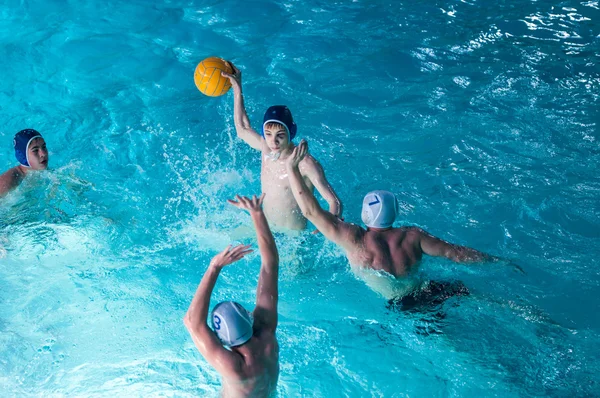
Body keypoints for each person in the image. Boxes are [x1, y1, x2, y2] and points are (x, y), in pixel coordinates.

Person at [285, 140, 502, 301]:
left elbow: (311, 212)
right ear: (395, 212)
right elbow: (455, 253)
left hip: (404, 307)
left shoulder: (355, 239)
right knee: (484, 299)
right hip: (431, 288)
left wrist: (292, 169)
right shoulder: (413, 236)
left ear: (365, 215)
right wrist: (496, 261)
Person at [221, 63, 342, 232]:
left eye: (280, 135)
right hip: (266, 227)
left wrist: (328, 225)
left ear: (290, 133)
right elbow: (242, 129)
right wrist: (236, 88)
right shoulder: (266, 149)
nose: (273, 142)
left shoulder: (304, 163)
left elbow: (334, 202)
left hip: (293, 237)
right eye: (268, 134)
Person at [183, 194, 280, 397]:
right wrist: (257, 213)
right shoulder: (266, 333)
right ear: (249, 317)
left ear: (221, 339)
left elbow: (192, 322)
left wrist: (214, 267)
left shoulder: (234, 367)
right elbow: (270, 265)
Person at [0, 129, 49, 197]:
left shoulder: (44, 172)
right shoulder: (8, 182)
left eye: (44, 147)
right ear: (23, 155)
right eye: (35, 150)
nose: (43, 154)